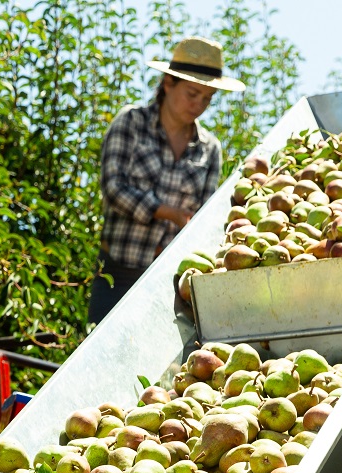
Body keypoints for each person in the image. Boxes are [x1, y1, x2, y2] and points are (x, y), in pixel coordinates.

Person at [90, 36, 246, 324]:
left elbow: (201, 217)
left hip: (170, 284)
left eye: (207, 98)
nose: (198, 105)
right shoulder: (131, 123)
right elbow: (113, 188)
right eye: (192, 93)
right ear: (167, 83)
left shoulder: (209, 149)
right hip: (117, 273)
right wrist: (170, 213)